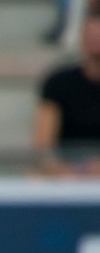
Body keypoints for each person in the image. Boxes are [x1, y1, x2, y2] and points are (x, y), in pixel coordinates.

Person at [35, 1, 100, 175]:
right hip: (67, 175)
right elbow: (43, 146)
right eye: (90, 32)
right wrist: (70, 171)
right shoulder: (59, 83)